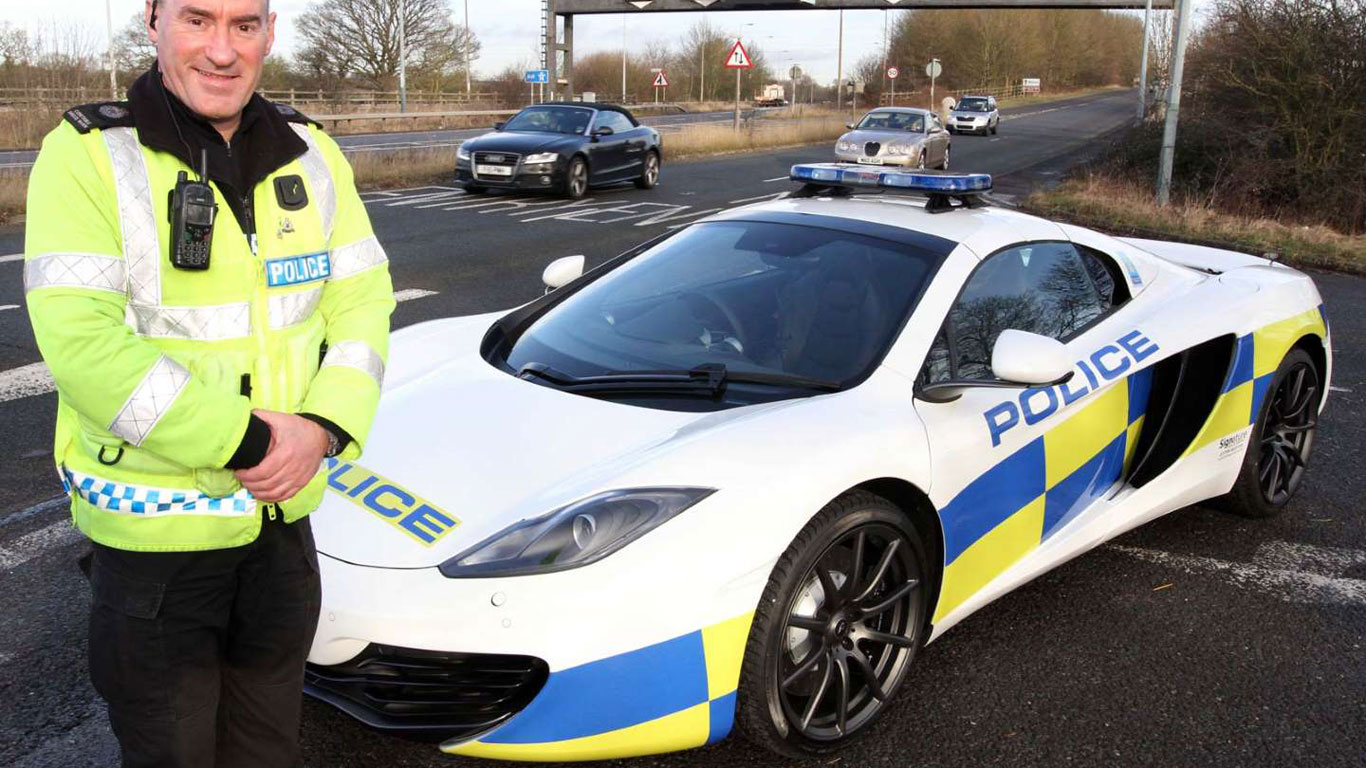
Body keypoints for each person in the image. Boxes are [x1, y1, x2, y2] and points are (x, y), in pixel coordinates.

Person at [22, 0, 394, 765]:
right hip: (156, 551)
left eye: (244, 25)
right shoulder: (88, 154)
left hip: (281, 530)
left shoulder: (313, 152)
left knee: (268, 749)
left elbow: (363, 302)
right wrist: (256, 441)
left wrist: (322, 428)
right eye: (197, 20)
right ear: (153, 23)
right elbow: (83, 345)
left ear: (270, 32)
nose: (222, 50)